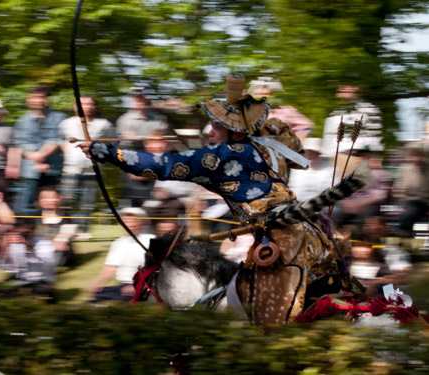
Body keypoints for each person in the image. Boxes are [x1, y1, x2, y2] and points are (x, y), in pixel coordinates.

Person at [81, 74, 358, 325]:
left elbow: (162, 164)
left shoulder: (222, 156)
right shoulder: (262, 147)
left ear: (236, 132)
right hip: (311, 233)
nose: (210, 132)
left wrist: (104, 152)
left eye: (217, 126)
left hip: (285, 240)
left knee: (269, 323)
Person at [59, 95, 115, 235]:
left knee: (87, 201)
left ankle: (83, 230)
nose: (86, 107)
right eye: (82, 104)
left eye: (89, 104)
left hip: (93, 169)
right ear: (75, 106)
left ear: (94, 107)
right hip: (71, 168)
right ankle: (67, 229)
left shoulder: (104, 124)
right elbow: (60, 141)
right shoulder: (66, 123)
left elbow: (112, 142)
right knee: (67, 199)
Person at [11, 86, 67, 215]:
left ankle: (52, 228)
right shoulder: (22, 120)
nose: (39, 100)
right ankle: (28, 230)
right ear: (28, 100)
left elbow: (56, 139)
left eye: (42, 97)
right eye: (35, 97)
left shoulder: (60, 117)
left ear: (47, 99)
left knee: (52, 202)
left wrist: (40, 157)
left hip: (52, 167)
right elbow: (20, 143)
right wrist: (35, 158)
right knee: (25, 203)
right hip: (30, 170)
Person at [89, 207, 153, 303]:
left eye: (134, 221)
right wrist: (97, 285)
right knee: (98, 295)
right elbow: (110, 268)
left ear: (142, 224)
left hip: (146, 286)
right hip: (124, 287)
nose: (130, 224)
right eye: (126, 221)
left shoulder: (151, 241)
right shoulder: (118, 243)